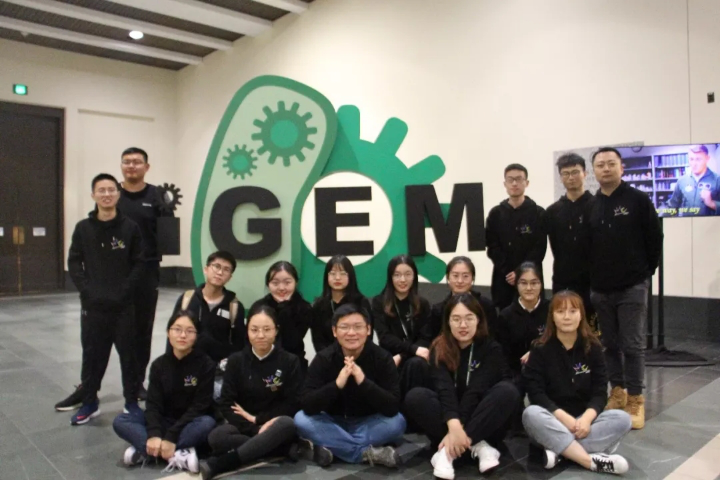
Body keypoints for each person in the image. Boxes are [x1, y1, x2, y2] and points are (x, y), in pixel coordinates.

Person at [404, 293, 519, 479]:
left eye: (469, 318)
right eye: (456, 319)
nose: (463, 325)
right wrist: (454, 424)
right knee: (416, 396)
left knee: (507, 391)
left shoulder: (491, 349)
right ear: (448, 322)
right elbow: (445, 390)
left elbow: (476, 391)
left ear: (478, 320)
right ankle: (477, 445)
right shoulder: (439, 347)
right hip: (448, 417)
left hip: (480, 417)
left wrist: (458, 430)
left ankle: (447, 451)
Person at [589, 147, 663, 430]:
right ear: (594, 171)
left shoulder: (638, 200)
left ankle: (635, 399)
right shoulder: (592, 205)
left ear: (622, 168)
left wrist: (644, 274)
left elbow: (654, 239)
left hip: (632, 286)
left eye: (611, 164)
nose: (606, 169)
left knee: (632, 345)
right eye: (600, 165)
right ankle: (617, 392)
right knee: (609, 344)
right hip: (601, 289)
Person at [522, 291, 632, 475]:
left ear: (581, 315)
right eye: (560, 311)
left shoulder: (593, 347)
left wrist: (586, 419)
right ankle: (590, 461)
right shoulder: (540, 348)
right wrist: (565, 419)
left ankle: (560, 451)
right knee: (531, 414)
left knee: (623, 419)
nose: (567, 317)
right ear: (552, 316)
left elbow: (600, 392)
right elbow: (536, 393)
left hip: (584, 422)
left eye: (573, 311)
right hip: (552, 420)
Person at [64, 173, 143, 425]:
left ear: (118, 194)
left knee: (129, 356)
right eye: (101, 190)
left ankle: (131, 402)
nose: (106, 194)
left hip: (123, 306)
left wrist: (125, 291)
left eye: (111, 190)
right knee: (92, 355)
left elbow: (139, 263)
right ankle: (89, 402)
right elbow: (74, 262)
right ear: (93, 195)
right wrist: (86, 290)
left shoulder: (130, 228)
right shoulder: (83, 228)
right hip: (93, 306)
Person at [295, 304, 406, 468]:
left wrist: (363, 382)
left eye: (358, 327)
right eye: (344, 327)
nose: (351, 333)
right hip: (333, 422)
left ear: (368, 329)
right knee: (301, 420)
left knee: (397, 423)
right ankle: (365, 453)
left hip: (368, 423)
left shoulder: (382, 358)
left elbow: (392, 406)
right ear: (334, 331)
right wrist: (336, 385)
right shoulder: (324, 359)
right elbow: (307, 403)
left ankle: (334, 447)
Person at [198, 305, 301, 480]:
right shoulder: (236, 361)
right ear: (247, 331)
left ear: (276, 331)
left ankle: (223, 463)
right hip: (244, 426)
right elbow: (227, 403)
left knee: (287, 423)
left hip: (274, 423)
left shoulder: (290, 361)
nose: (260, 335)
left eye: (267, 329)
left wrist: (259, 419)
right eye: (254, 330)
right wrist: (255, 429)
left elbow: (292, 403)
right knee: (217, 437)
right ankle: (280, 448)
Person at [113, 311, 216, 473]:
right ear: (168, 332)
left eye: (189, 331)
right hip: (163, 421)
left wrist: (171, 437)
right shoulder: (159, 365)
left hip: (189, 423)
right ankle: (176, 453)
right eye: (177, 329)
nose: (183, 335)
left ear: (196, 336)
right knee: (121, 420)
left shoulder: (206, 364)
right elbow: (153, 405)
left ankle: (146, 451)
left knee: (207, 423)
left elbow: (199, 406)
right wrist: (154, 433)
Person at [117, 147, 175, 400]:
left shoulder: (158, 196)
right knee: (109, 331)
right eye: (127, 162)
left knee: (142, 330)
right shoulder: (112, 193)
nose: (131, 166)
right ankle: (90, 386)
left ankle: (136, 381)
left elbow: (169, 236)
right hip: (114, 273)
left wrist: (169, 211)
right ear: (121, 166)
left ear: (146, 167)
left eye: (137, 162)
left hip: (147, 272)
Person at [168, 251, 245, 400]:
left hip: (217, 375)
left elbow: (239, 346)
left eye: (226, 269)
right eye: (216, 266)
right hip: (186, 369)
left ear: (230, 277)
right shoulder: (187, 299)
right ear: (206, 269)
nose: (220, 272)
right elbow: (172, 336)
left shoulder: (234, 307)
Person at [546, 153, 596, 331]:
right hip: (563, 279)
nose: (571, 177)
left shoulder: (597, 206)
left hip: (593, 281)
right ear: (560, 177)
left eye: (575, 172)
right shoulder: (552, 211)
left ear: (585, 174)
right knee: (563, 326)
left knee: (592, 330)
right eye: (565, 174)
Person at [486, 164, 547, 311]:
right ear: (505, 184)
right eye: (510, 180)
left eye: (519, 179)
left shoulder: (538, 213)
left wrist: (520, 273)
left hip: (531, 279)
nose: (514, 183)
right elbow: (492, 247)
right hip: (504, 280)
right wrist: (508, 272)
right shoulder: (496, 214)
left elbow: (539, 248)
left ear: (527, 183)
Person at [372, 255, 433, 397]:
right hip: (390, 357)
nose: (403, 280)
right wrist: (411, 350)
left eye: (408, 274)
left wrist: (403, 355)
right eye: (397, 275)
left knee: (416, 364)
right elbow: (384, 337)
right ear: (390, 277)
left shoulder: (422, 304)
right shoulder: (379, 302)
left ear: (414, 276)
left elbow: (426, 338)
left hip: (414, 359)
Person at [250, 261, 313, 371]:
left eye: (287, 282)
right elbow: (250, 341)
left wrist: (284, 308)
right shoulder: (258, 307)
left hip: (294, 365)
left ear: (296, 282)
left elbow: (292, 342)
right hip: (261, 363)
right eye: (275, 283)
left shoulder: (304, 308)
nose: (281, 288)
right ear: (268, 284)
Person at [497, 262, 549, 380]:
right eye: (523, 283)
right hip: (516, 375)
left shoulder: (551, 310)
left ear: (541, 284)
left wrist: (535, 353)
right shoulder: (506, 315)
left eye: (534, 283)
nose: (529, 288)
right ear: (516, 284)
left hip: (547, 373)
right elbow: (503, 355)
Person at [310, 255, 372, 354]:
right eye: (333, 273)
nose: (337, 278)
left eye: (343, 273)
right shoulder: (319, 305)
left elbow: (367, 337)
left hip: (358, 357)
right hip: (328, 359)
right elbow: (318, 340)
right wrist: (330, 359)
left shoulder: (361, 302)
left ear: (350, 276)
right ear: (326, 276)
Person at [427, 256, 497, 340]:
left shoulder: (486, 305)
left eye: (465, 276)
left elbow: (493, 336)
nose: (460, 281)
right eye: (455, 276)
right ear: (448, 277)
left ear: (473, 277)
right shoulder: (439, 310)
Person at [667, 144, 720, 216]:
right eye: (691, 159)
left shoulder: (717, 180)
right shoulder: (682, 181)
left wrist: (711, 203)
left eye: (698, 159)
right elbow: (672, 205)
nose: (694, 164)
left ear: (707, 158)